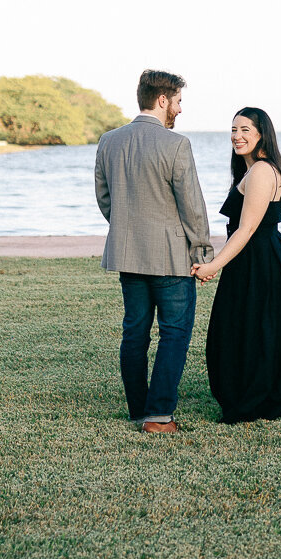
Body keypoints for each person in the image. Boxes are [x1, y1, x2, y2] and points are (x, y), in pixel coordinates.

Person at [94, 69, 215, 434]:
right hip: (170, 258)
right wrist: (203, 254)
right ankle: (159, 417)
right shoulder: (175, 144)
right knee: (174, 334)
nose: (180, 109)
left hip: (128, 256)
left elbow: (104, 198)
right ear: (162, 100)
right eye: (178, 101)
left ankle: (138, 410)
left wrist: (128, 229)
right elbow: (192, 206)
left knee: (135, 333)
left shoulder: (109, 141)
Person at [192, 107, 281, 424]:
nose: (237, 136)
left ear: (261, 134)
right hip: (257, 259)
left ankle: (252, 399)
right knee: (249, 330)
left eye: (245, 129)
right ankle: (252, 395)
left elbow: (246, 229)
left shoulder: (261, 172)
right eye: (233, 130)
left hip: (260, 262)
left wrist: (213, 265)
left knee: (248, 330)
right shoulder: (255, 170)